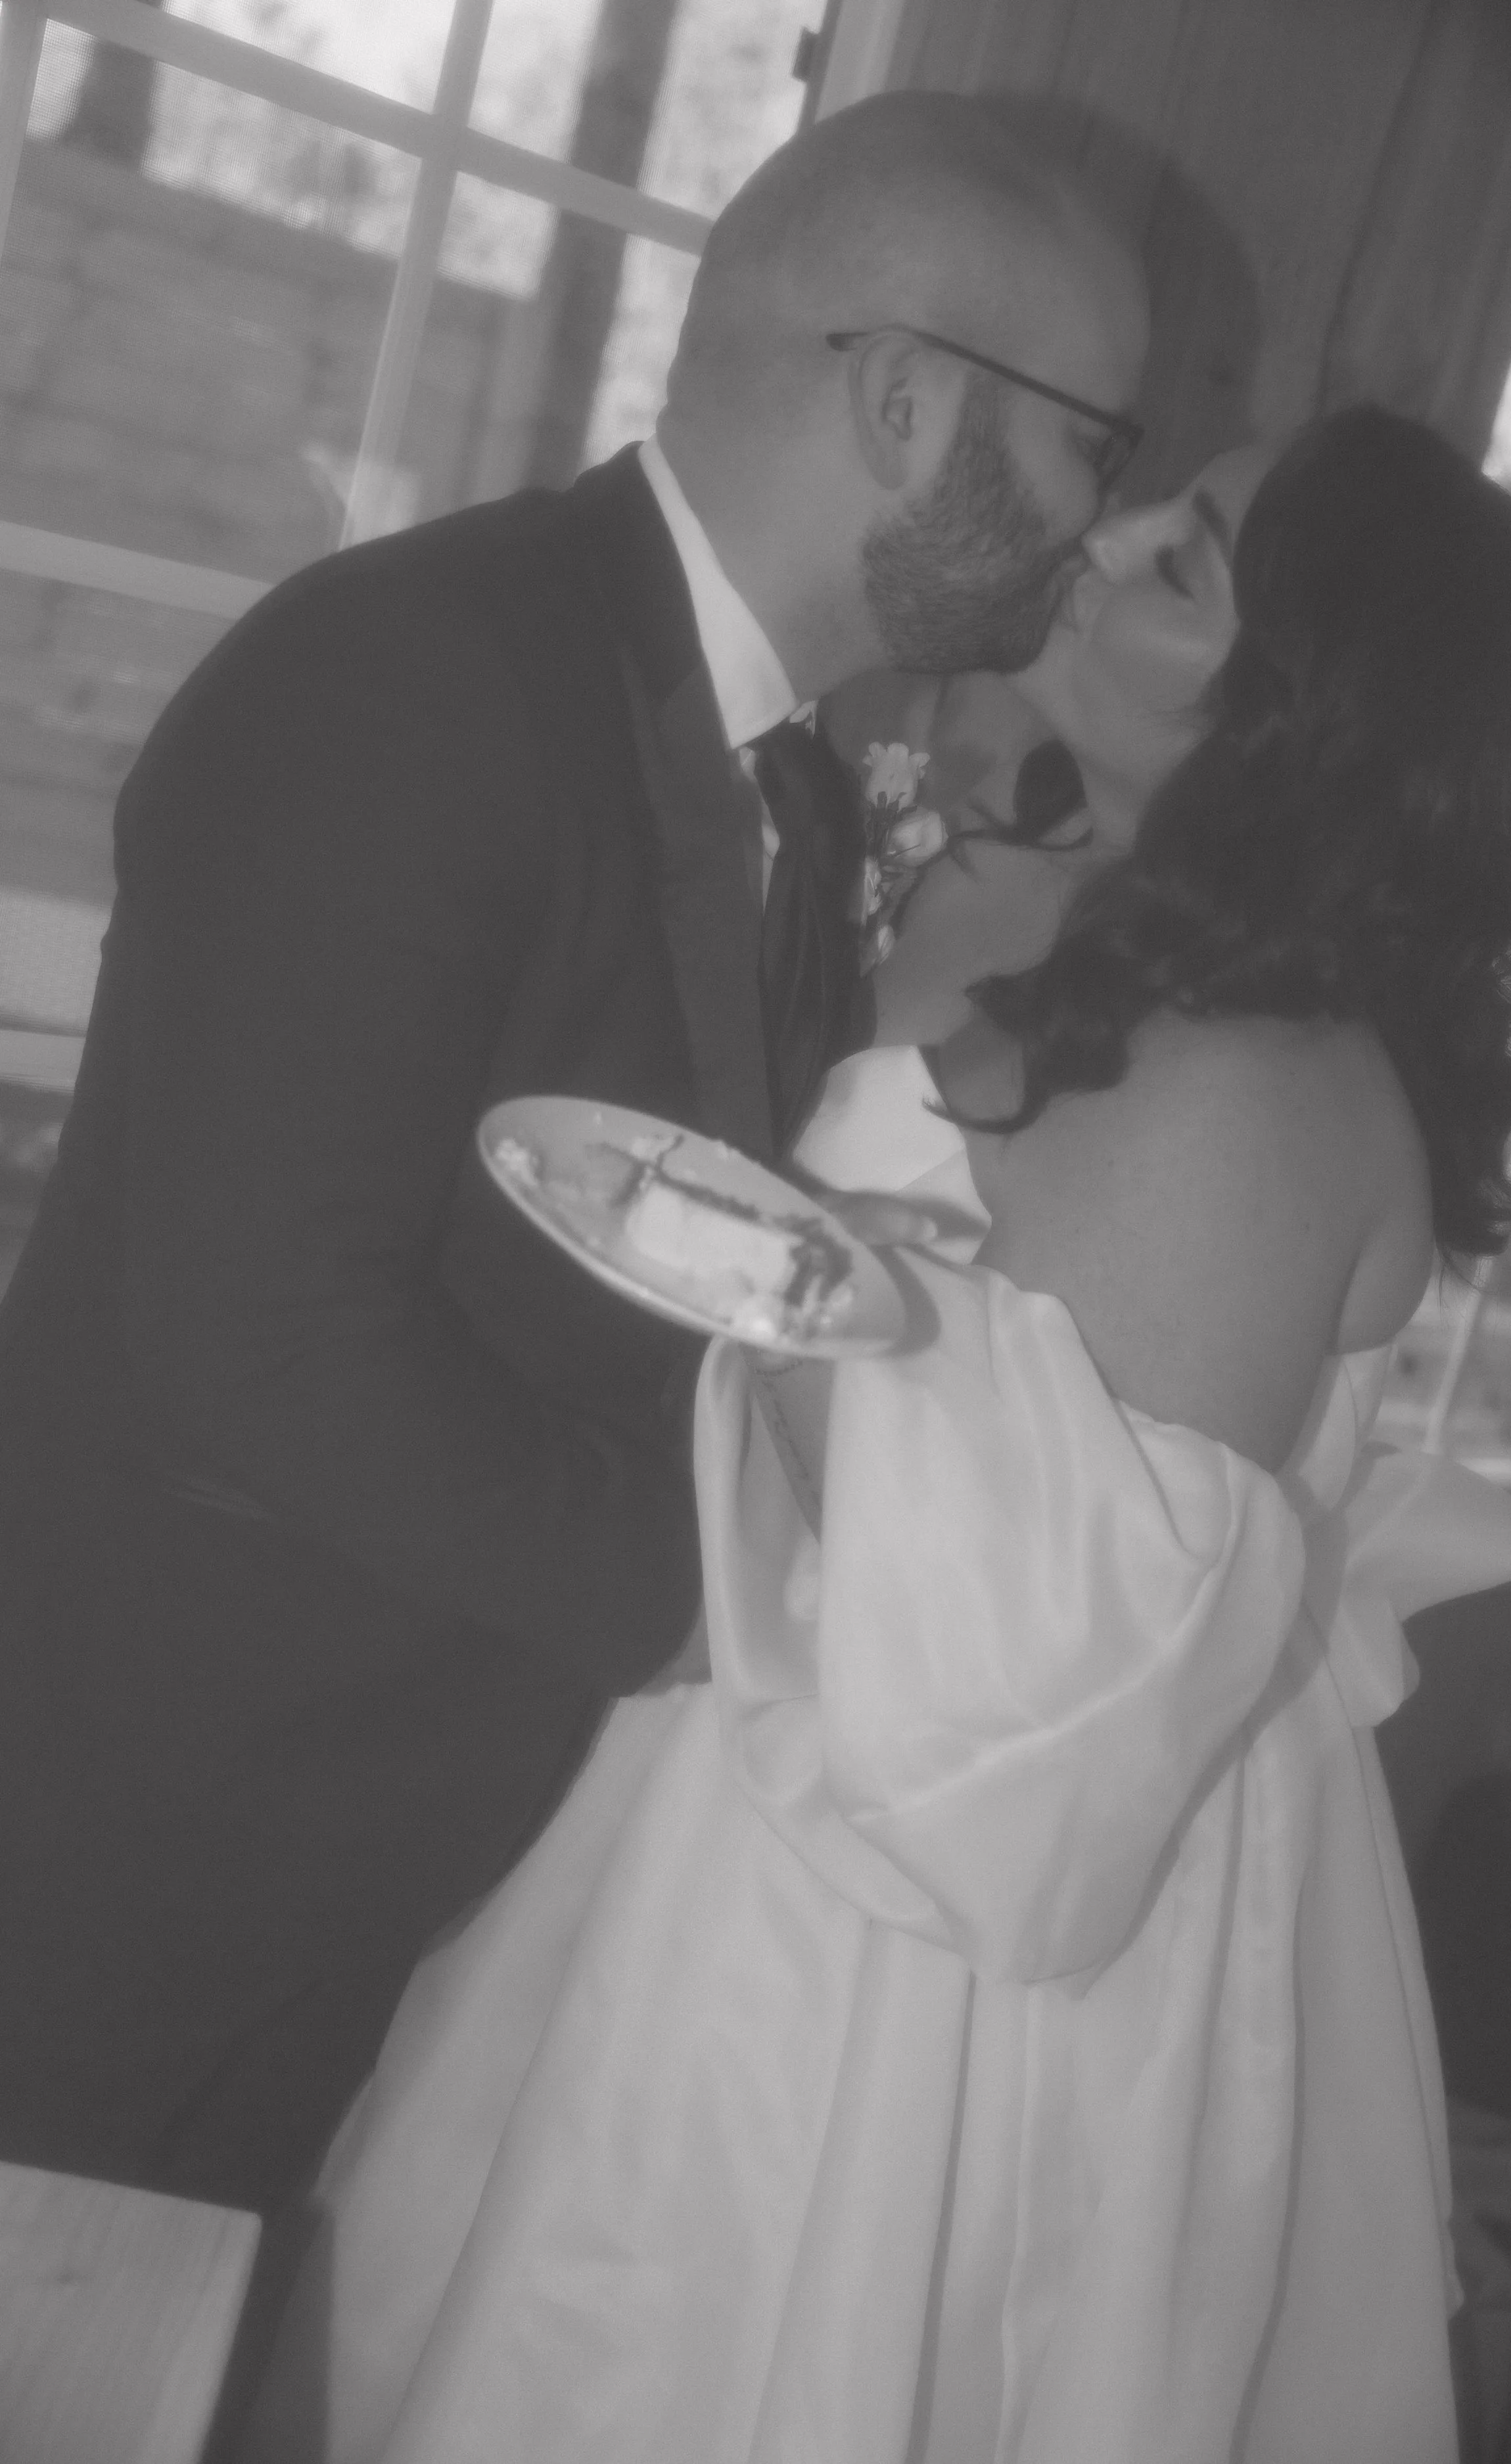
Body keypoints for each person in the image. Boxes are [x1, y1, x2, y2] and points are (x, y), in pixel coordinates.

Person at [241, 405, 1511, 2464]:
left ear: (1289, 726)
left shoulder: (1223, 1093)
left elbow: (1026, 1726)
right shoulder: (1085, 941)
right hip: (789, 1773)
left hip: (895, 1962)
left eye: (1180, 560)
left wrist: (789, 1276)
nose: (1104, 528)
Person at [0, 91, 1148, 2215]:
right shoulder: (414, 675)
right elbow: (255, 1319)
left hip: (373, 1824)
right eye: (1101, 438)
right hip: (136, 1836)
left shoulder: (786, 778)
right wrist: (708, 1603)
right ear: (907, 404)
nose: (1102, 516)